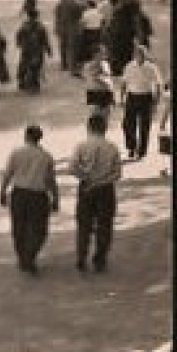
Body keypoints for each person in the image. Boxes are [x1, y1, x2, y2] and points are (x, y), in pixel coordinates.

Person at [0, 125, 60, 274]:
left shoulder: (16, 153)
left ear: (26, 136)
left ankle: (23, 257)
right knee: (39, 230)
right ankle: (30, 256)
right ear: (40, 138)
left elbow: (8, 174)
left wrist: (2, 190)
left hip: (19, 193)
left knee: (19, 228)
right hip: (38, 196)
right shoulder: (46, 156)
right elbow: (51, 180)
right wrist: (56, 197)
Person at [70, 114, 123, 272]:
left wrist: (87, 178)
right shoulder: (112, 147)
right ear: (105, 128)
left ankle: (81, 256)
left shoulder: (81, 146)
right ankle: (100, 258)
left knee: (84, 224)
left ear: (89, 127)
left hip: (86, 187)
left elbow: (72, 168)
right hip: (106, 190)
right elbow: (117, 174)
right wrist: (100, 181)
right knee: (104, 224)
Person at [120, 46, 165, 160]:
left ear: (145, 55)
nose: (140, 56)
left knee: (144, 125)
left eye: (142, 54)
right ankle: (131, 147)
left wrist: (157, 100)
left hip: (146, 97)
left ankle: (142, 151)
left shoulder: (151, 68)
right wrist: (121, 97)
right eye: (138, 54)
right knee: (127, 124)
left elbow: (159, 84)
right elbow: (124, 83)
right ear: (135, 55)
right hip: (132, 96)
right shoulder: (129, 66)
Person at [15, 8, 53, 93]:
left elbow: (18, 36)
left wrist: (19, 44)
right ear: (37, 16)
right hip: (37, 50)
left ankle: (22, 83)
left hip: (26, 49)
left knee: (24, 65)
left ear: (28, 16)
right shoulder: (40, 27)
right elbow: (45, 39)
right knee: (35, 67)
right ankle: (34, 84)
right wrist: (48, 50)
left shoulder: (24, 25)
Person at [54, 0, 84, 76]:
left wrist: (57, 28)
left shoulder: (59, 4)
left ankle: (64, 65)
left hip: (62, 28)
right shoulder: (76, 4)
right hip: (72, 28)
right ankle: (72, 67)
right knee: (72, 48)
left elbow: (57, 17)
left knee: (63, 46)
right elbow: (79, 16)